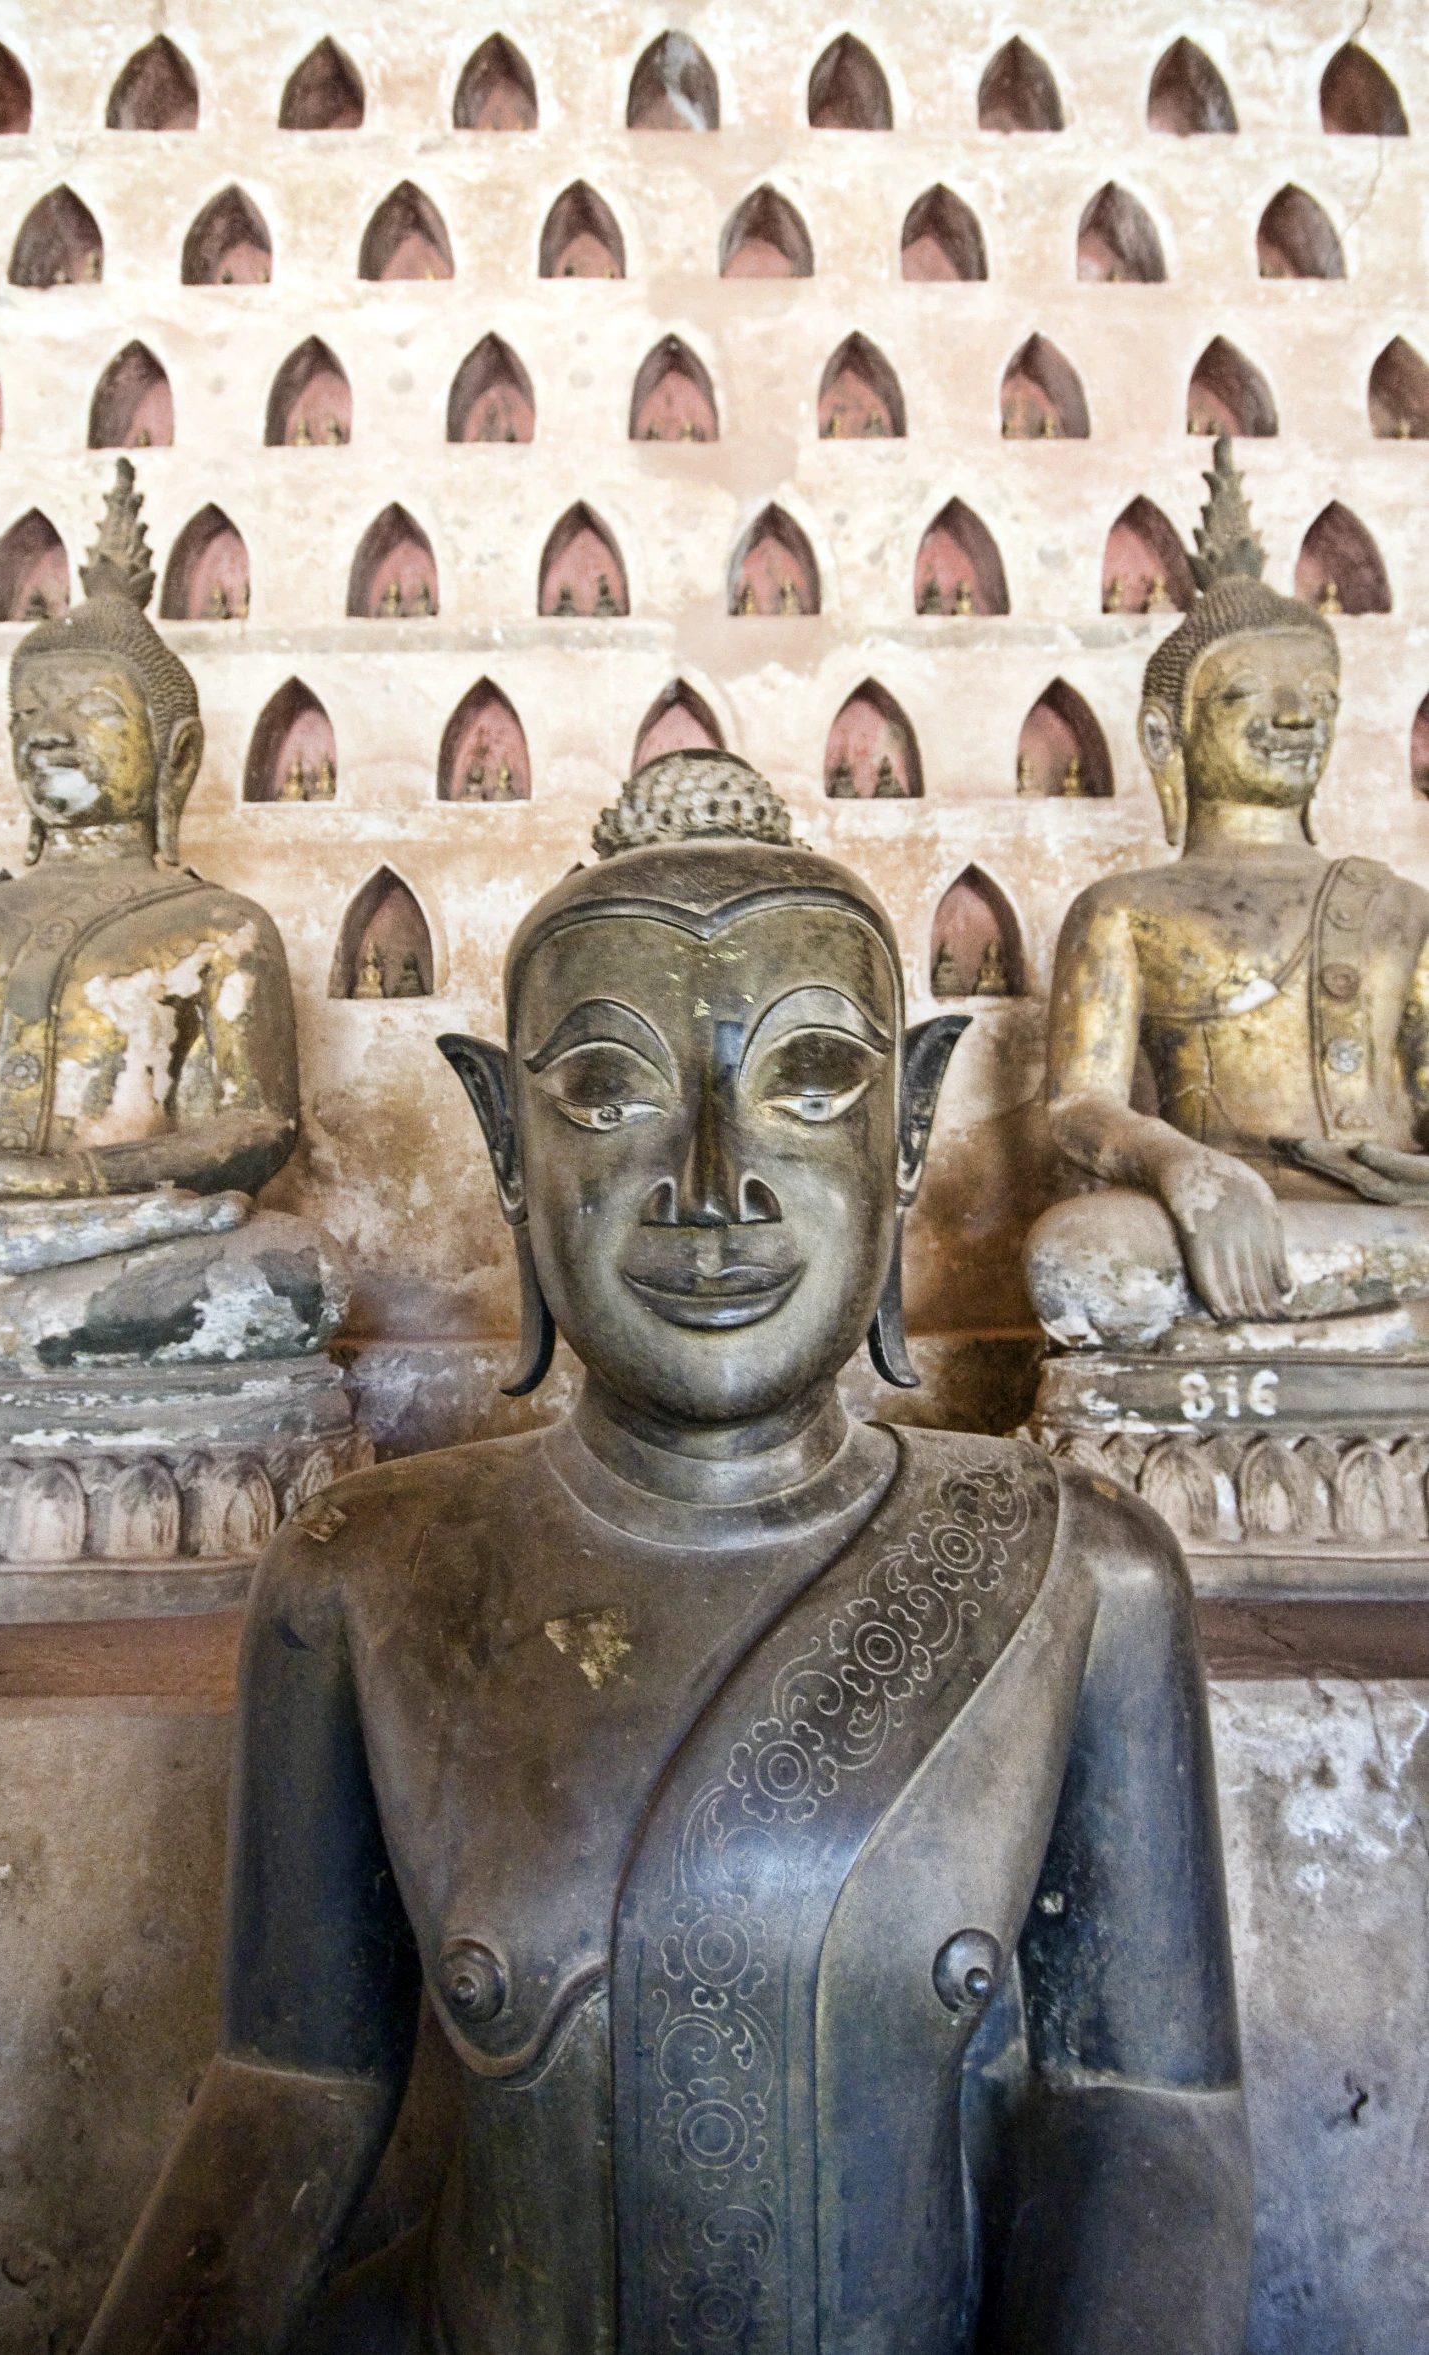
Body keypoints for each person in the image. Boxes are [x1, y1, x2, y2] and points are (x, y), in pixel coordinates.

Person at [84, 754, 1251, 2355]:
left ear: (908, 1134)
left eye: (814, 1076)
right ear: (506, 1142)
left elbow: (1150, 2119)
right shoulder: (364, 1575)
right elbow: (287, 2091)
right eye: (611, 1091)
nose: (714, 1184)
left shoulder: (1077, 1573)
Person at [0, 460, 346, 1371]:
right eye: (29, 715)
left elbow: (255, 1130)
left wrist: (70, 1179)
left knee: (285, 1275)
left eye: (90, 711)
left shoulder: (220, 926)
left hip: (116, 1232)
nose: (50, 734)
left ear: (176, 756)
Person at [1027, 439, 1429, 1353]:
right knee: (1083, 1260)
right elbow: (1076, 1106)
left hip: (1385, 1224)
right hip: (1213, 1220)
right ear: (1167, 734)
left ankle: (1328, 1325)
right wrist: (1182, 1166)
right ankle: (1361, 1331)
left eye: (1318, 696)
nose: (1296, 717)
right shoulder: (1124, 907)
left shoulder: (1399, 906)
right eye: (1250, 693)